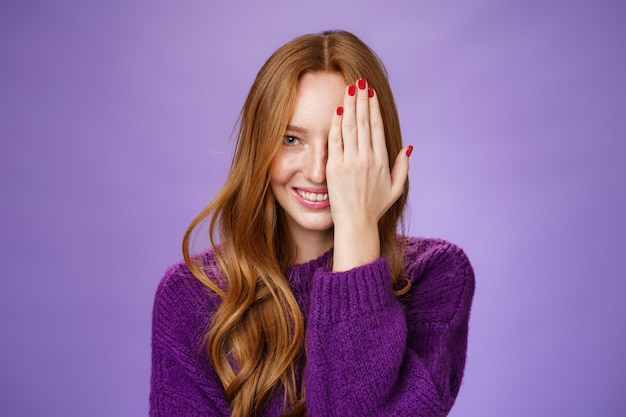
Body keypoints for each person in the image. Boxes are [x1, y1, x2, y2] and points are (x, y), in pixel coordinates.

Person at [150, 30, 475, 417]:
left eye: (342, 142)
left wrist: (357, 226)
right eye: (292, 139)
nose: (320, 171)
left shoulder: (436, 277)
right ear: (260, 148)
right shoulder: (191, 295)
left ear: (376, 150)